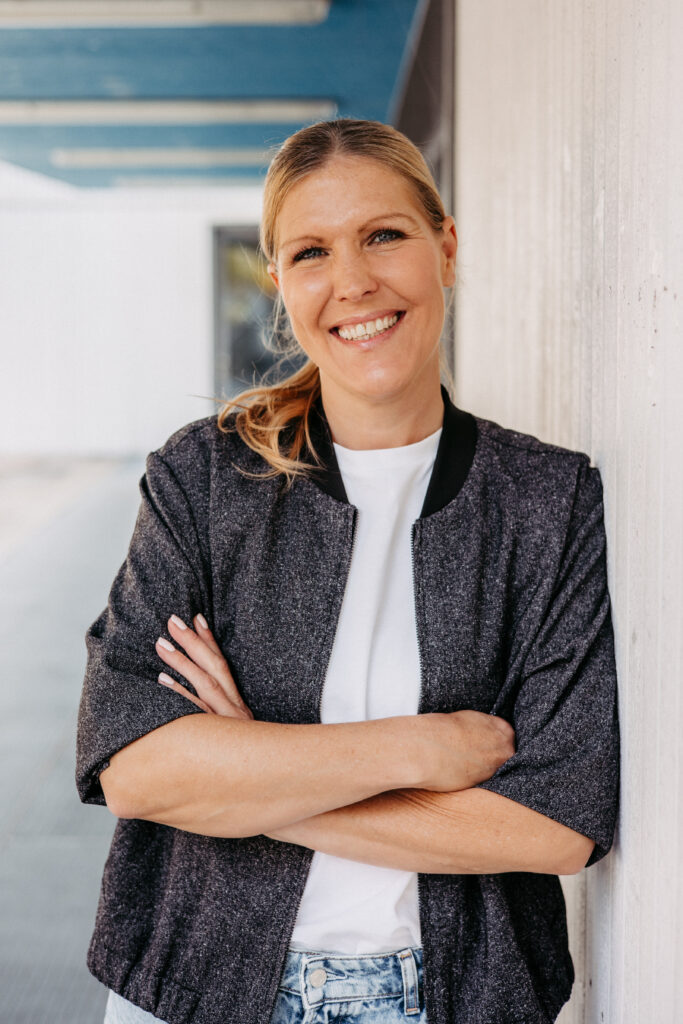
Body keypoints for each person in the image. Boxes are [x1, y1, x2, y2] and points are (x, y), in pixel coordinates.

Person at [76, 118, 619, 1024]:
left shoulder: (544, 499)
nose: (354, 281)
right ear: (280, 284)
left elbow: (553, 825)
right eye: (312, 252)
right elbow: (134, 766)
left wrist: (247, 779)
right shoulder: (206, 481)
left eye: (384, 235)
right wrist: (421, 749)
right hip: (196, 994)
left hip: (456, 999)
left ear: (444, 247)